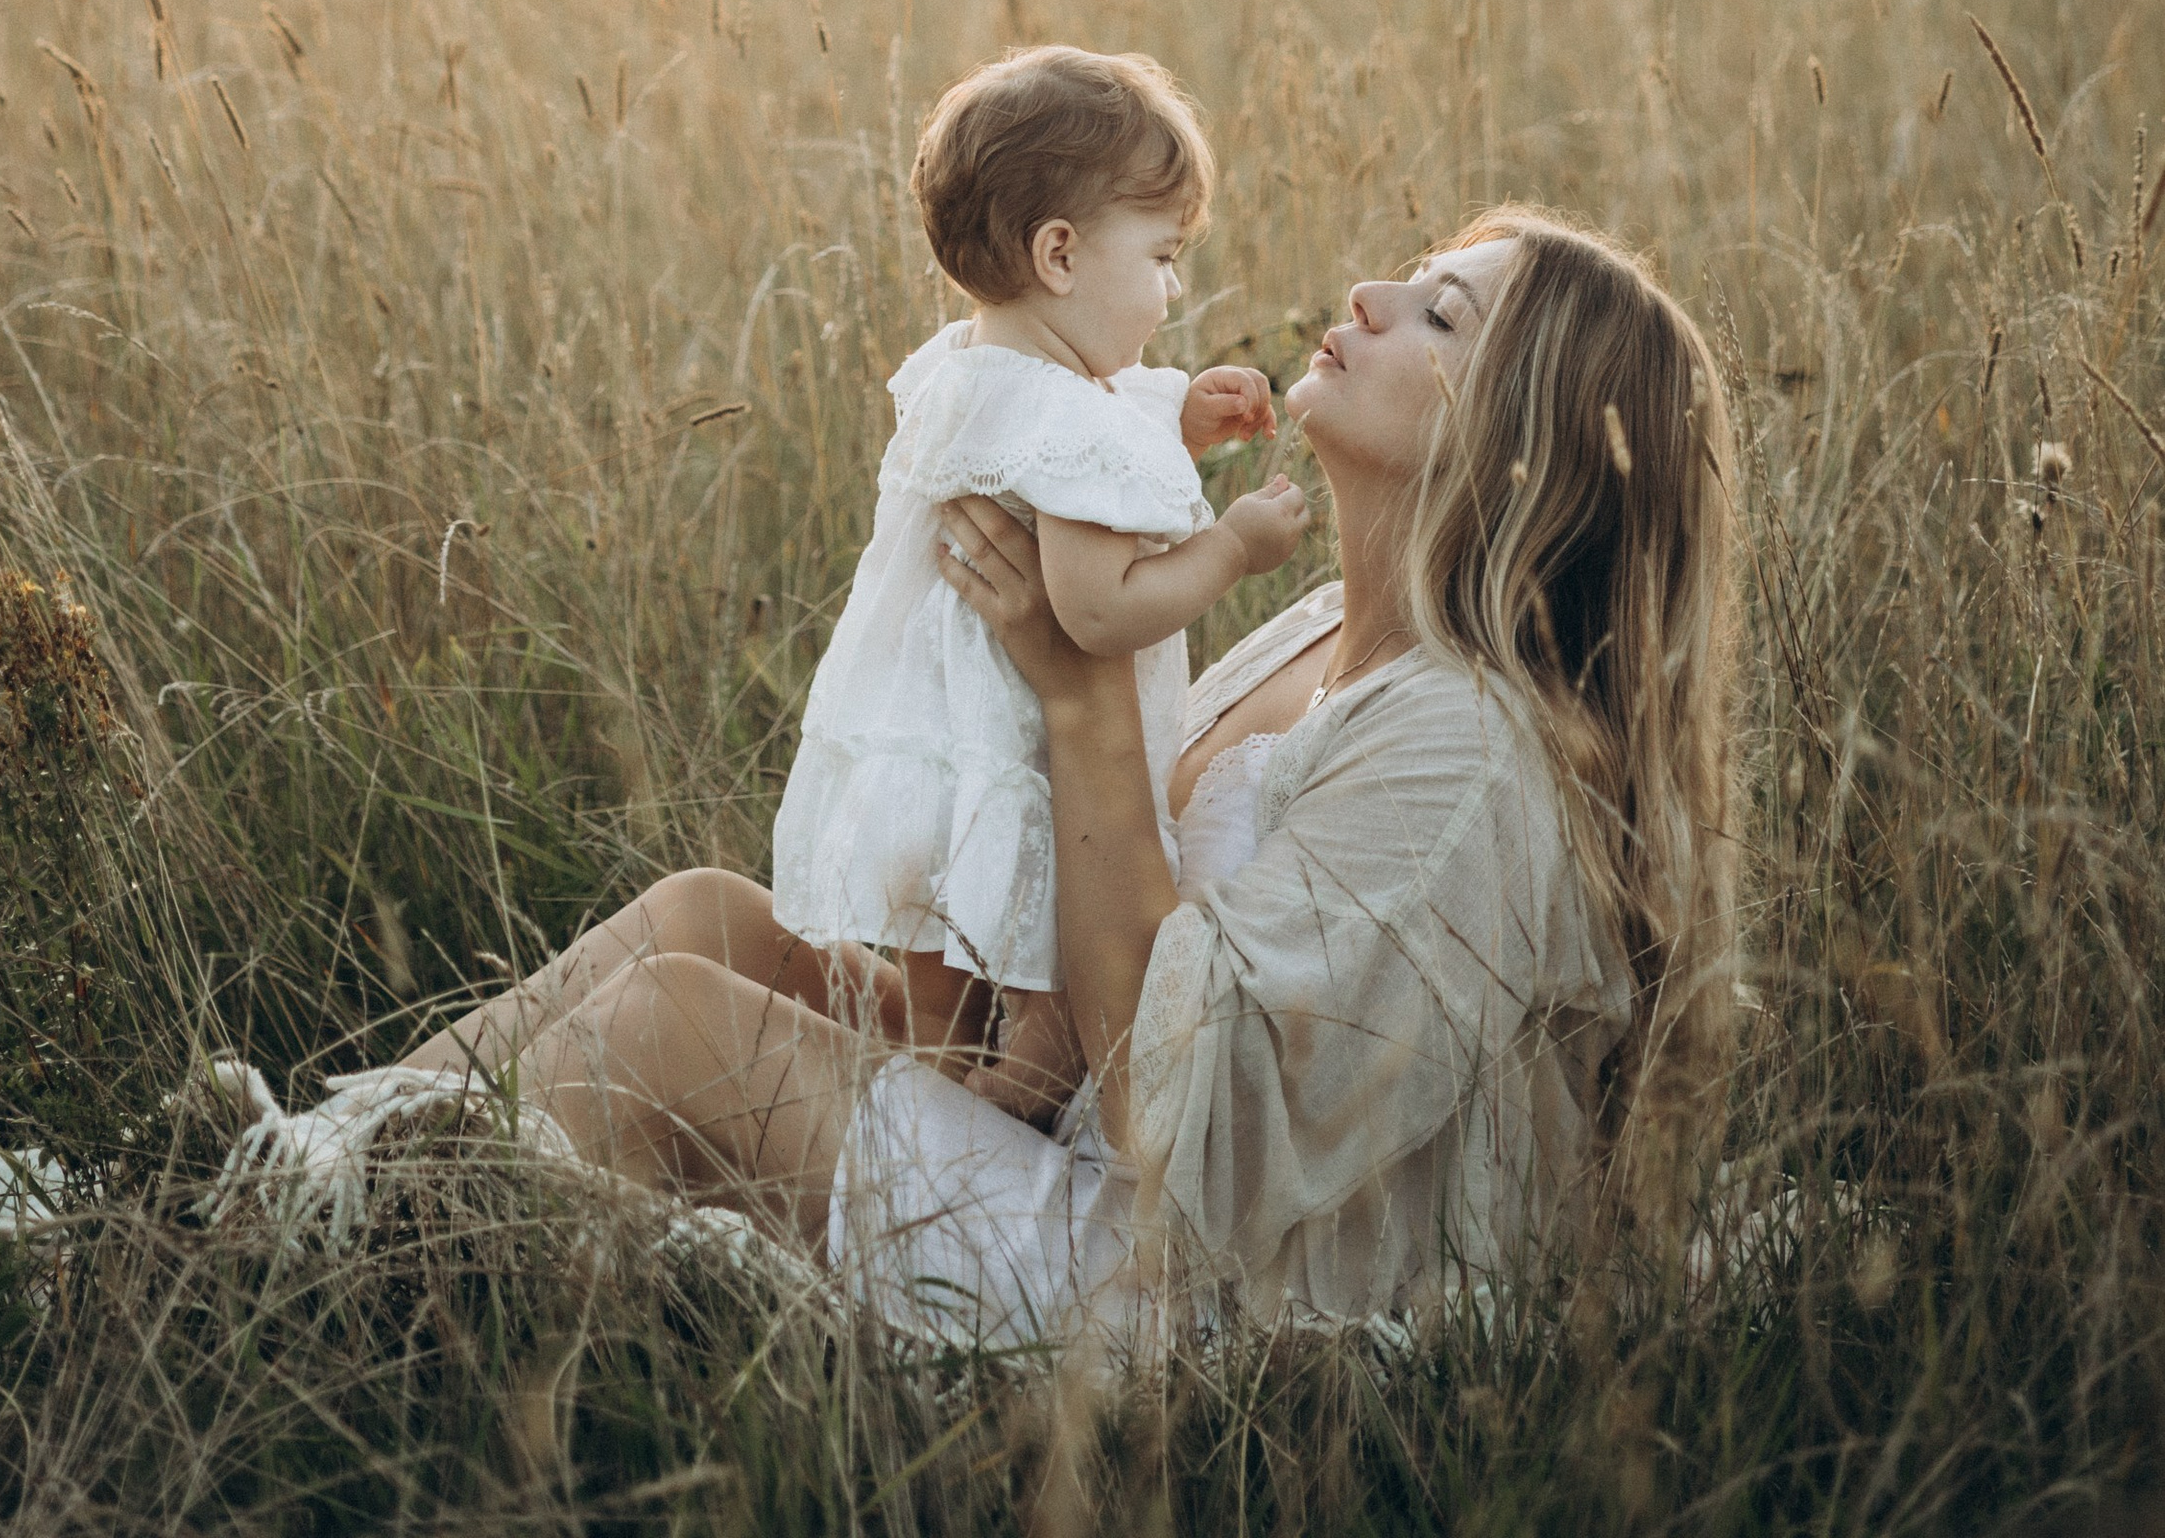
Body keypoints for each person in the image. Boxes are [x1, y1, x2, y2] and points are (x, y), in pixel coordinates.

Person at [372, 206, 1740, 1346]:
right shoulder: (1320, 626)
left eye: (1443, 316)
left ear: (1528, 452)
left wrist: (1079, 694)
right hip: (1085, 1135)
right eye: (1413, 274)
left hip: (1188, 1298)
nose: (1372, 294)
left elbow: (1189, 1134)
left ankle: (386, 1310)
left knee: (672, 1025)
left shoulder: (1468, 752)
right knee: (701, 919)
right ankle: (309, 1180)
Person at [769, 45, 1309, 1124]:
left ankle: (916, 1107)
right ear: (1060, 253)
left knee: (932, 1005)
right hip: (1024, 757)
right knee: (1042, 993)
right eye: (1161, 257)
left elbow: (1059, 473)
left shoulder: (971, 371)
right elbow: (1097, 608)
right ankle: (1013, 1106)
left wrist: (1177, 426)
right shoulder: (1073, 423)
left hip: (932, 746)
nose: (1171, 290)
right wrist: (1232, 549)